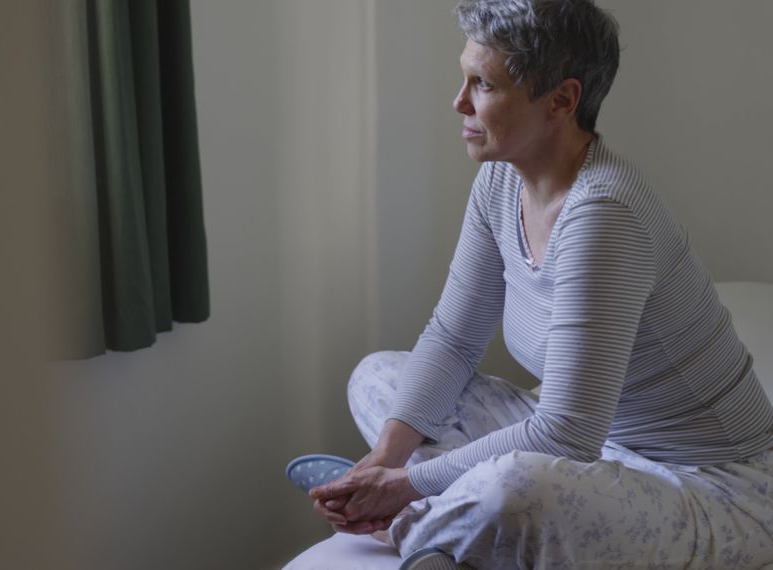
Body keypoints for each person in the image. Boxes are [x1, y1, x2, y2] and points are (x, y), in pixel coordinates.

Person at [294, 0, 773, 567]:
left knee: (517, 488)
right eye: (464, 78)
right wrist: (383, 459)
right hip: (593, 450)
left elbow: (566, 432)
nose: (460, 102)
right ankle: (445, 522)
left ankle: (414, 524)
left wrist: (406, 485)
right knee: (376, 377)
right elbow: (453, 338)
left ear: (562, 101)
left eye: (484, 85)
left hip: (707, 484)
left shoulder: (605, 214)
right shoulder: (500, 179)